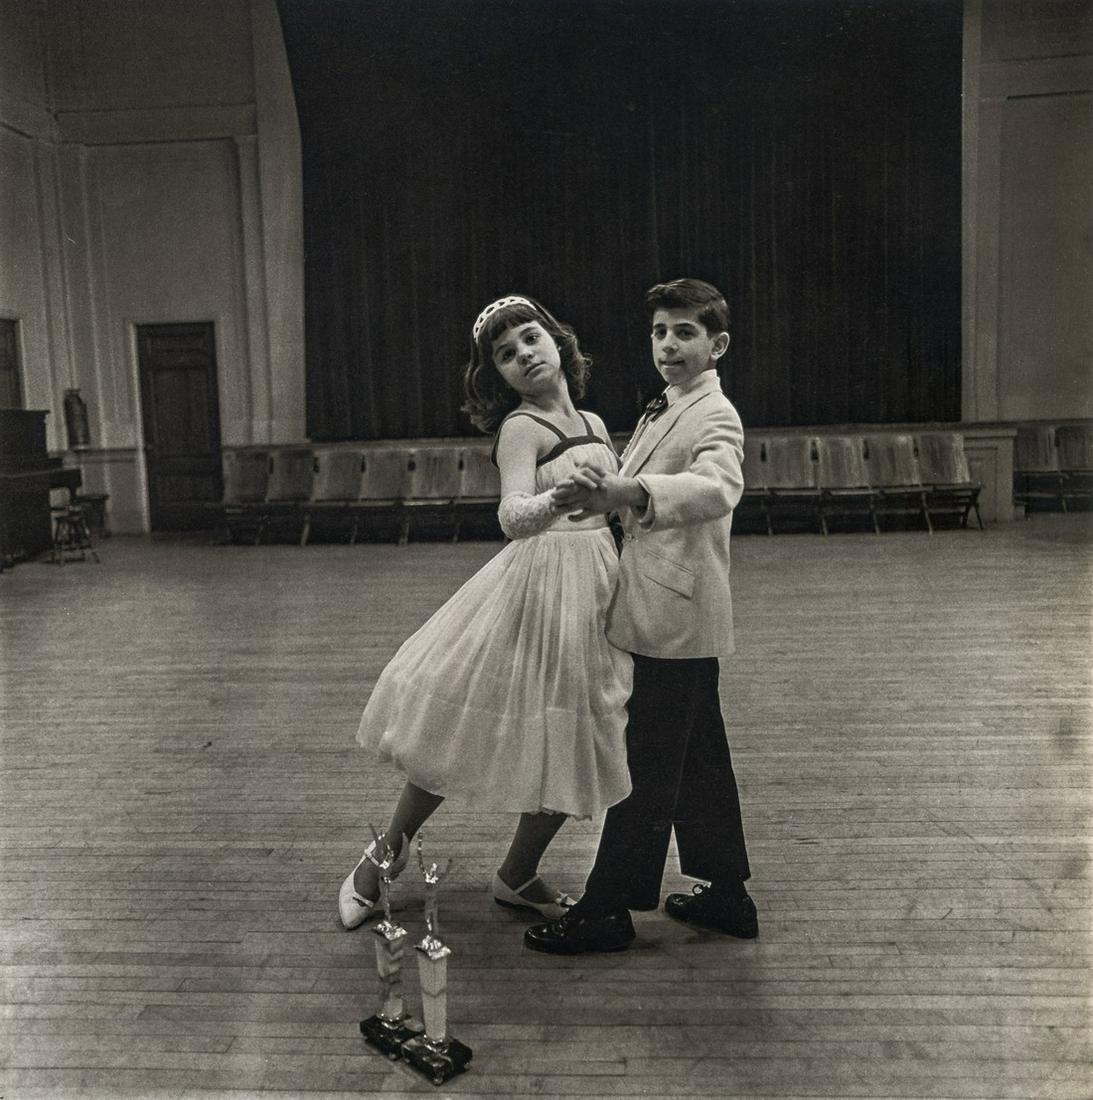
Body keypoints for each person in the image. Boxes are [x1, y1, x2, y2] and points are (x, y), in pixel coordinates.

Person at [339, 295, 632, 930]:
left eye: (530, 340)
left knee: (581, 736)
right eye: (505, 354)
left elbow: (617, 509)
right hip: (538, 587)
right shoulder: (521, 429)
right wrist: (560, 496)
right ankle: (380, 859)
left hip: (598, 586)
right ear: (495, 375)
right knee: (462, 728)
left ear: (557, 342)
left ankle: (517, 875)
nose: (523, 356)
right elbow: (512, 517)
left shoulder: (600, 424)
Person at [524, 278, 756, 954]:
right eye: (659, 332)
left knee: (645, 767)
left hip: (675, 615)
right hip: (669, 610)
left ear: (717, 344)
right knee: (697, 758)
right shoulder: (668, 407)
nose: (668, 344)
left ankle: (605, 909)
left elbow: (717, 487)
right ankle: (728, 895)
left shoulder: (715, 414)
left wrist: (630, 490)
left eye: (684, 332)